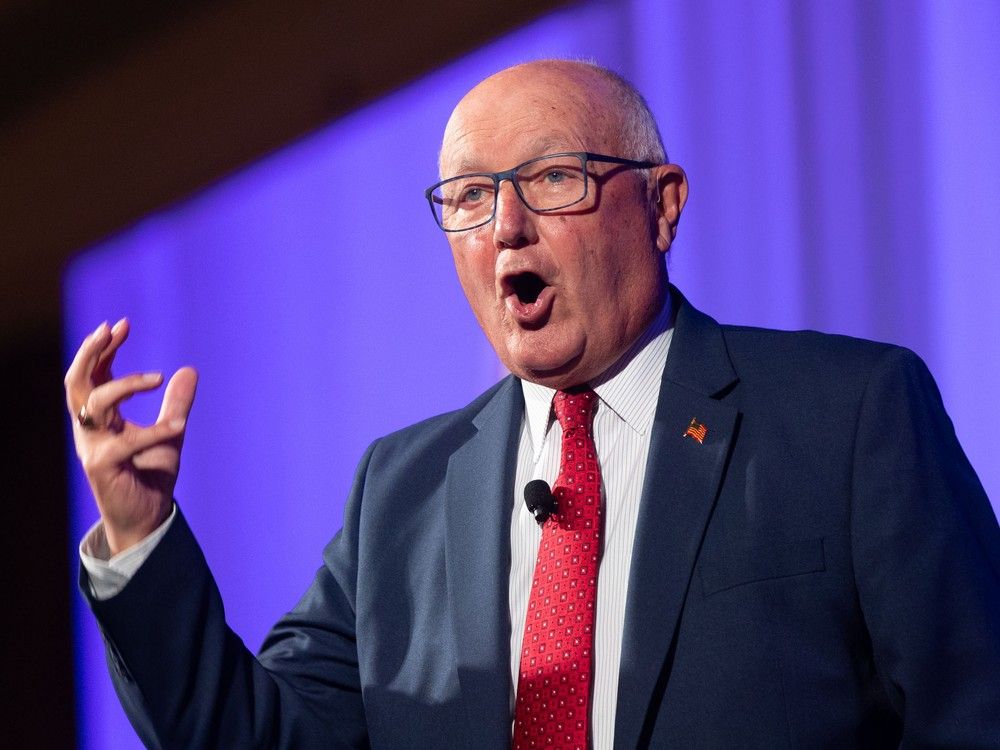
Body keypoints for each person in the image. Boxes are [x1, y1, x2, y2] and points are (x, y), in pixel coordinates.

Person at [66, 60, 1000, 749]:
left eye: (553, 178)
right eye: (470, 196)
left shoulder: (848, 414)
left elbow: (973, 712)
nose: (506, 226)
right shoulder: (402, 491)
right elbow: (258, 736)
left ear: (663, 205)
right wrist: (140, 537)